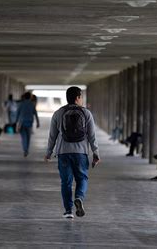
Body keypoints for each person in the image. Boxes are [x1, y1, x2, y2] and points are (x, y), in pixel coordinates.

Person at [45, 86, 100, 219]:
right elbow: (92, 136)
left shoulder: (58, 113)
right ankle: (79, 197)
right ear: (77, 98)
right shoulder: (86, 113)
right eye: (81, 97)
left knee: (66, 182)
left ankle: (68, 210)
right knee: (82, 178)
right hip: (81, 153)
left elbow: (52, 135)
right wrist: (96, 153)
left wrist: (48, 152)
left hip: (63, 153)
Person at [16, 92, 40, 157]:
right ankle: (26, 150)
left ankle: (25, 150)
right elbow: (35, 114)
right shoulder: (32, 104)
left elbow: (17, 113)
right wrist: (38, 122)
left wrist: (16, 122)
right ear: (30, 97)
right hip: (29, 123)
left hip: (22, 123)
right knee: (28, 138)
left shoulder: (21, 104)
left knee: (23, 137)